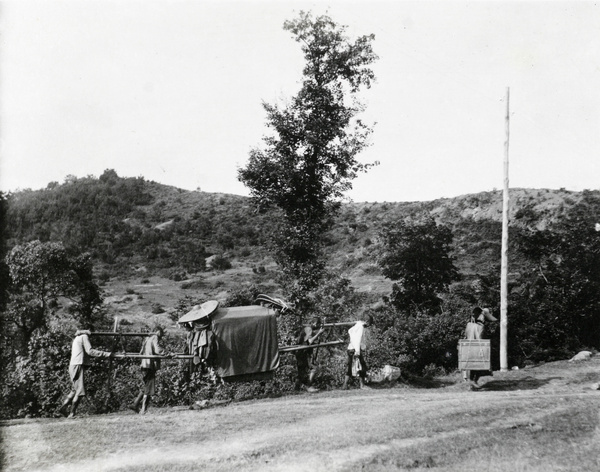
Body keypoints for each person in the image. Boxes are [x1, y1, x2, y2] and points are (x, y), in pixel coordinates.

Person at [56, 329, 113, 418]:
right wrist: (106, 354)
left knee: (74, 389)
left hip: (73, 365)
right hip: (78, 365)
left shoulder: (77, 337)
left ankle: (63, 408)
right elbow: (90, 351)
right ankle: (72, 413)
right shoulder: (84, 337)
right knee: (80, 390)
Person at [129, 327, 170, 414]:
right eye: (161, 334)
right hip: (149, 365)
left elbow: (141, 352)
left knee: (146, 385)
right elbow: (157, 349)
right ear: (158, 332)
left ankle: (135, 404)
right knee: (149, 387)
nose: (161, 336)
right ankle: (143, 409)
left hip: (144, 364)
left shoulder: (147, 338)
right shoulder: (155, 337)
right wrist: (167, 353)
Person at [464, 306, 497, 388]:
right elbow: (480, 339)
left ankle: (471, 382)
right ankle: (473, 382)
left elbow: (466, 336)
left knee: (471, 367)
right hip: (477, 349)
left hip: (468, 349)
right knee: (479, 366)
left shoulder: (469, 325)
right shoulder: (480, 327)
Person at [294, 317, 325, 393]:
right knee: (313, 368)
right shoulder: (309, 329)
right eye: (318, 324)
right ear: (314, 323)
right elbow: (310, 341)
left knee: (301, 371)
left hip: (301, 352)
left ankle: (296, 389)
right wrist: (319, 333)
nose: (318, 325)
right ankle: (309, 386)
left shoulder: (307, 329)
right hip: (302, 352)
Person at [343, 315, 373, 390]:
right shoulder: (360, 327)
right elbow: (358, 339)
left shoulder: (356, 326)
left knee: (349, 366)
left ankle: (345, 385)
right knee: (361, 366)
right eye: (369, 323)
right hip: (355, 349)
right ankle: (362, 385)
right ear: (367, 321)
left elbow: (349, 331)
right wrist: (357, 351)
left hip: (350, 348)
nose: (368, 326)